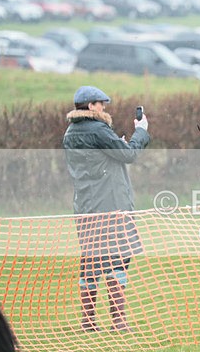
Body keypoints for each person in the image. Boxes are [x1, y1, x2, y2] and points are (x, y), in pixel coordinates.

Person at [63, 85, 150, 331]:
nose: (104, 107)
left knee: (91, 260)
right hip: (111, 205)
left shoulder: (70, 132)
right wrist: (140, 132)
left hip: (84, 206)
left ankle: (88, 321)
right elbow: (129, 154)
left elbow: (96, 161)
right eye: (101, 103)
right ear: (90, 106)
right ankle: (118, 321)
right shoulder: (99, 130)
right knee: (119, 258)